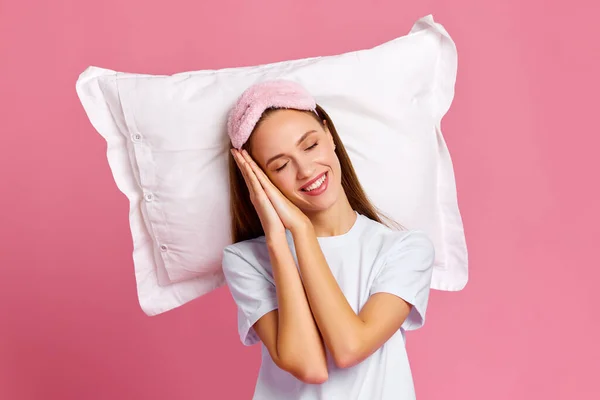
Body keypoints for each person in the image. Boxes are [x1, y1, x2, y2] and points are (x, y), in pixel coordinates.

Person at [221, 79, 436, 399]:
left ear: (329, 135)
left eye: (310, 146)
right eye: (280, 165)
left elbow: (350, 347)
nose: (305, 170)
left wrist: (304, 233)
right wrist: (284, 239)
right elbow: (310, 367)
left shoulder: (405, 250)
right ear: (261, 182)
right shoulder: (246, 260)